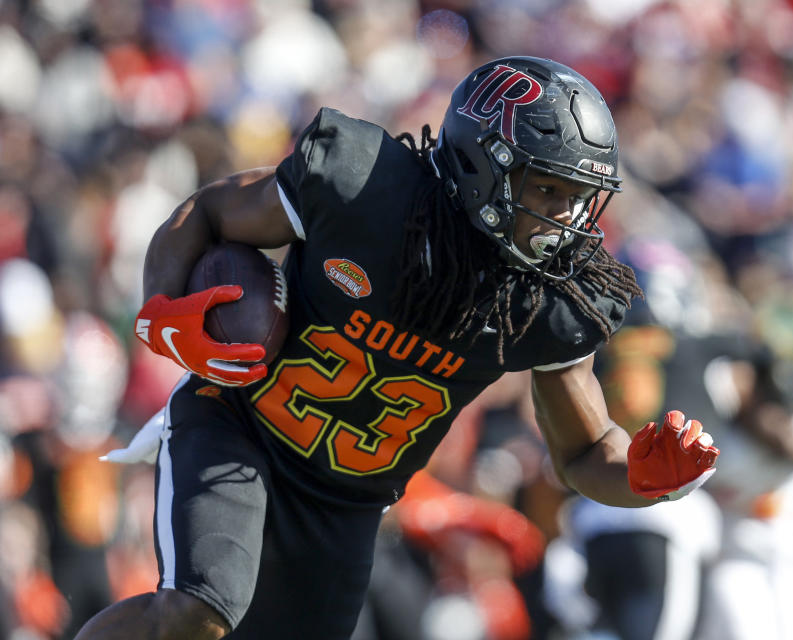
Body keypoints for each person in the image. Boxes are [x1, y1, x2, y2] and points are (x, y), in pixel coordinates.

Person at [74, 56, 719, 640]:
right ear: (481, 163)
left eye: (580, 197)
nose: (568, 218)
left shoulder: (549, 299)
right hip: (241, 428)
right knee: (199, 610)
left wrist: (643, 481)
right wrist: (160, 308)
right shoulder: (365, 189)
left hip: (349, 501)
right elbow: (213, 211)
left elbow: (583, 450)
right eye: (548, 189)